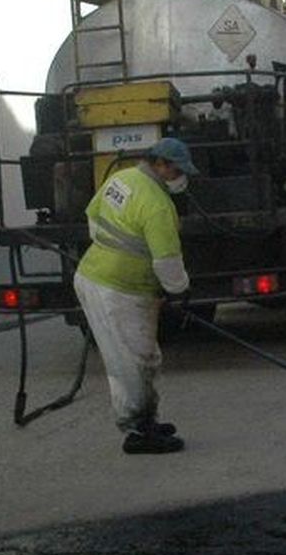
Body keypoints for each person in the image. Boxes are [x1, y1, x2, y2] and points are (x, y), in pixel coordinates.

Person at [72, 136, 198, 454]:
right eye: (177, 171)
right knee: (132, 361)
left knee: (140, 356)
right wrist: (180, 291)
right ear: (160, 164)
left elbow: (93, 217)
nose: (180, 178)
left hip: (95, 278)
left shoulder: (121, 179)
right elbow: (167, 261)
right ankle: (138, 433)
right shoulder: (157, 206)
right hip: (117, 290)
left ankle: (146, 420)